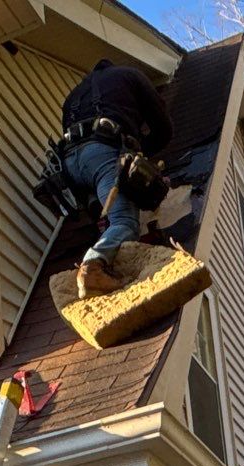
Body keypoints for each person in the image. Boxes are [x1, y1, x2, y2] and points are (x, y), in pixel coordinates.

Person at [57, 59, 172, 297]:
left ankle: (104, 244)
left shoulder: (73, 96)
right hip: (102, 152)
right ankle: (93, 268)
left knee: (105, 219)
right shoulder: (130, 75)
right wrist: (138, 160)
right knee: (125, 222)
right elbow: (163, 129)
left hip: (70, 165)